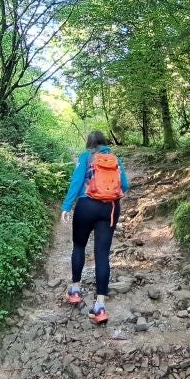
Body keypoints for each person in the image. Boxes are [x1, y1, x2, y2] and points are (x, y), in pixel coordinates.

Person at [61, 130, 129, 324]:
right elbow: (124, 185)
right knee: (102, 255)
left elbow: (76, 182)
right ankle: (100, 307)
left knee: (79, 246)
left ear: (89, 143)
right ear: (105, 142)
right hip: (109, 209)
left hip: (85, 205)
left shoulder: (85, 157)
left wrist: (67, 206)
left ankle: (75, 290)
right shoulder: (115, 158)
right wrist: (109, 195)